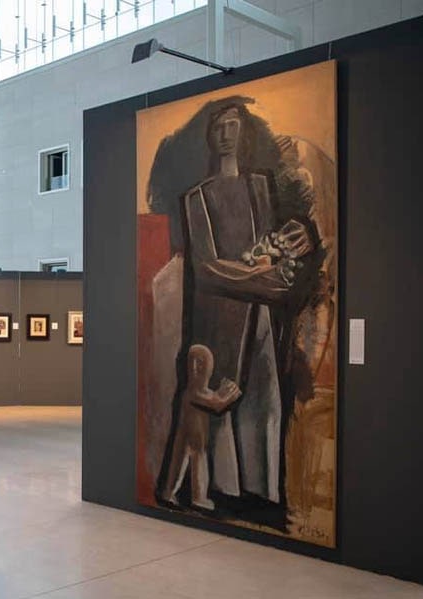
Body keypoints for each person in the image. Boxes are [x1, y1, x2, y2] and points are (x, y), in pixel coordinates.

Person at [166, 102, 316, 506]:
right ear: (209, 137)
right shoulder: (198, 197)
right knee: (221, 397)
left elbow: (277, 242)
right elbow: (207, 267)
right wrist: (265, 280)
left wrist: (297, 238)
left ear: (244, 132)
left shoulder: (260, 187)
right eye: (219, 127)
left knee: (263, 397)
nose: (226, 135)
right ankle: (225, 490)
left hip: (260, 315)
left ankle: (262, 491)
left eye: (233, 125)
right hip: (220, 316)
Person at [160, 345, 241, 510]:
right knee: (179, 466)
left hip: (198, 441)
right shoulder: (191, 393)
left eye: (201, 362)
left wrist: (225, 393)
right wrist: (231, 394)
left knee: (197, 466)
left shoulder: (204, 392)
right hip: (187, 438)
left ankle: (196, 497)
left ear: (210, 367)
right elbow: (217, 404)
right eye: (192, 362)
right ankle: (171, 494)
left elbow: (215, 399)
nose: (195, 367)